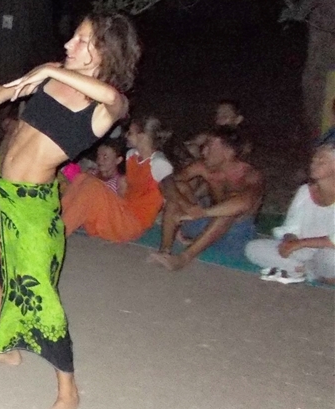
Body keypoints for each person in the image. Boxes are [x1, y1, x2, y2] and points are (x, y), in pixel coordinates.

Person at [0, 13, 141, 409]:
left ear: (105, 51)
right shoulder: (52, 77)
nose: (69, 45)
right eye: (73, 37)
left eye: (81, 40)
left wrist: (48, 69)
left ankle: (69, 390)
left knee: (40, 299)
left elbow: (119, 101)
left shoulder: (102, 105)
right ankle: (7, 348)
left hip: (33, 207)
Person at [150, 126, 264, 271]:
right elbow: (166, 182)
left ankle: (183, 258)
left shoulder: (250, 175)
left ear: (228, 153)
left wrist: (201, 213)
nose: (203, 152)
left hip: (235, 235)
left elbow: (244, 203)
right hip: (203, 223)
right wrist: (186, 206)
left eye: (209, 147)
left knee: (228, 210)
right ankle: (165, 251)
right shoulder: (202, 167)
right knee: (178, 189)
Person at [61, 116, 173, 243]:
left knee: (92, 186)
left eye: (130, 132)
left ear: (142, 136)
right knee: (83, 177)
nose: (126, 135)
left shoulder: (159, 163)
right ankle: (56, 221)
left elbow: (173, 197)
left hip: (134, 223)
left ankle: (59, 233)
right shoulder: (132, 156)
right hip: (124, 212)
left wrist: (177, 224)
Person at [247, 144, 335, 285]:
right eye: (313, 160)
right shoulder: (305, 191)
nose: (314, 164)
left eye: (321, 161)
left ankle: (298, 269)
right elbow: (291, 227)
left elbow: (333, 240)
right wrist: (290, 240)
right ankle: (305, 271)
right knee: (253, 248)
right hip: (303, 251)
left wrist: (299, 243)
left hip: (326, 251)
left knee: (332, 258)